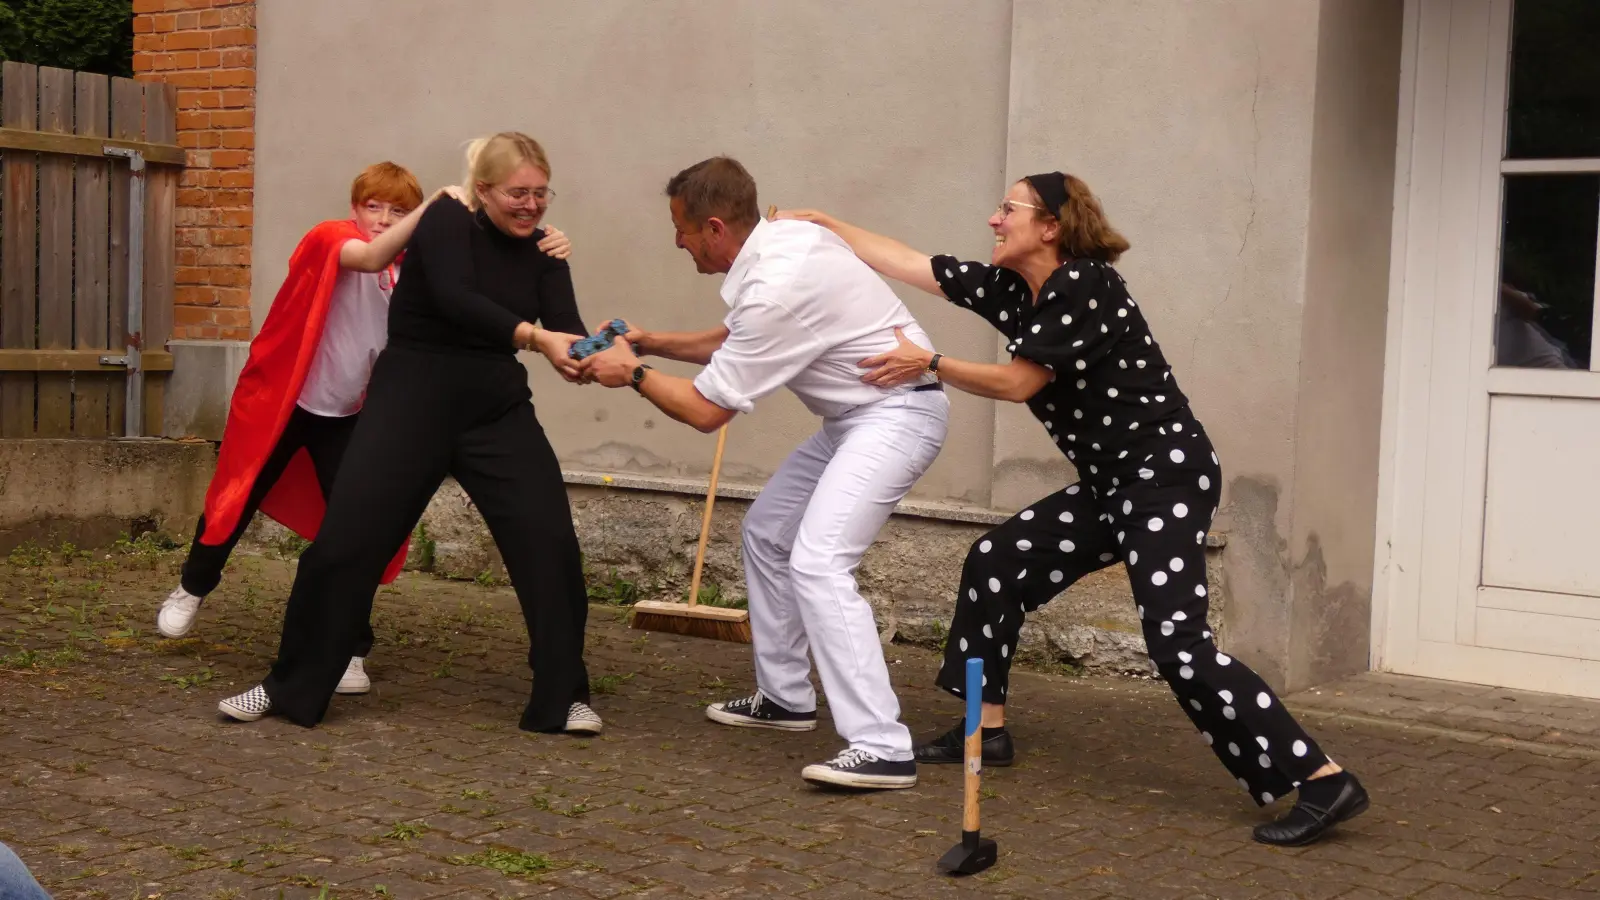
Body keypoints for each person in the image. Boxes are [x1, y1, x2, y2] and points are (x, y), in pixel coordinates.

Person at [776, 171, 1369, 845]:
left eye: (1009, 210)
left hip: (1163, 477)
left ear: (1051, 227)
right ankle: (985, 729)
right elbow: (915, 265)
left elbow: (1020, 381)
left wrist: (930, 363)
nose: (994, 220)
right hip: (1110, 483)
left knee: (1176, 641)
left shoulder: (1087, 286)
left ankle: (1321, 778)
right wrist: (826, 224)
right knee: (998, 561)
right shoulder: (1013, 289)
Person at [577, 156, 949, 790]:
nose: (677, 242)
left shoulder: (778, 285)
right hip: (855, 420)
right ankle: (785, 698)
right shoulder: (784, 245)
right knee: (768, 533)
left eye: (682, 229)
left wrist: (630, 374)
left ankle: (882, 744)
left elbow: (704, 411)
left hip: (896, 417)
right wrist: (651, 342)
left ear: (716, 227)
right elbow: (737, 336)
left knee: (819, 561)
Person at [216, 132, 600, 736]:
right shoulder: (447, 219)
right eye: (517, 193)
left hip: (494, 407)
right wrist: (536, 338)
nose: (531, 205)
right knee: (345, 544)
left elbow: (566, 328)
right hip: (411, 398)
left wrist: (584, 355)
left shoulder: (545, 251)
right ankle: (289, 687)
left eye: (540, 193)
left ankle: (563, 697)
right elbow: (455, 297)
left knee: (548, 541)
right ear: (484, 190)